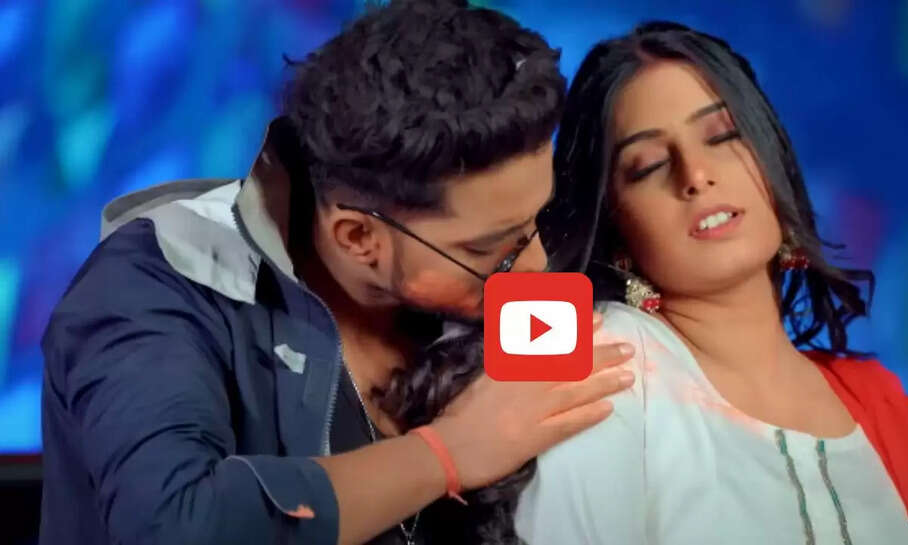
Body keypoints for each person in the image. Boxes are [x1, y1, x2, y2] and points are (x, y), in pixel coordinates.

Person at [38, 2, 638, 544]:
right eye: (490, 249)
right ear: (358, 238)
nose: (534, 266)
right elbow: (173, 523)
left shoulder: (470, 287)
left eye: (536, 221)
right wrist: (446, 454)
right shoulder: (153, 285)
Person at [513, 21, 908, 545]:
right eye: (649, 165)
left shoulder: (887, 406)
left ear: (773, 163)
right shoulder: (599, 358)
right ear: (616, 230)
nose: (696, 174)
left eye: (722, 136)